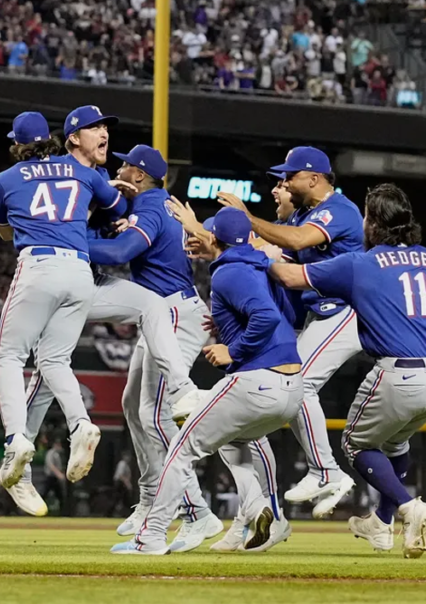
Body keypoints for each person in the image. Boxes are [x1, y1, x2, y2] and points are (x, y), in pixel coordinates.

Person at [269, 184, 426, 558]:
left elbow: (290, 278)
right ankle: (381, 525)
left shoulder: (361, 263)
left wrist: (262, 254)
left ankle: (407, 506)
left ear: (373, 223)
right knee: (394, 444)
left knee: (355, 445)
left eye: (368, 216)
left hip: (400, 373)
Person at [21, 110, 207, 510]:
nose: (106, 136)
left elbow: (120, 244)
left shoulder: (138, 200)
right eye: (97, 128)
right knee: (58, 367)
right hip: (68, 278)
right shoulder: (69, 179)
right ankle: (35, 447)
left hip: (147, 299)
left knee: (150, 409)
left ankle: (189, 508)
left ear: (139, 175)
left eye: (127, 163)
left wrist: (92, 224)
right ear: (73, 138)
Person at [112, 208, 303, 555]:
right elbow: (286, 315)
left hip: (257, 380)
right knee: (235, 445)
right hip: (291, 388)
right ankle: (261, 506)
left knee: (180, 448)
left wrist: (234, 348)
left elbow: (266, 317)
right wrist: (230, 323)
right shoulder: (259, 263)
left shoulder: (230, 272)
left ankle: (152, 536)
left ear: (215, 238)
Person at [83, 144, 224, 552]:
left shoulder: (150, 206)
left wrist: (67, 241)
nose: (120, 167)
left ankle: (197, 512)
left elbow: (122, 252)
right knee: (133, 405)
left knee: (157, 416)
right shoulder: (155, 203)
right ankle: (149, 500)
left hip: (174, 312)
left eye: (127, 165)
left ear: (140, 175)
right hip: (163, 310)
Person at [0, 111, 128, 511]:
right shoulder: (82, 174)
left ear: (18, 145)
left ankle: (17, 437)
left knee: (10, 356)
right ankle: (81, 423)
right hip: (79, 269)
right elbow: (116, 207)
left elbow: (5, 232)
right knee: (54, 359)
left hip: (38, 264)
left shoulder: (6, 178)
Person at [217, 146, 363, 518]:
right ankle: (329, 472)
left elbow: (295, 243)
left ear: (313, 179)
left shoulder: (339, 210)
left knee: (299, 383)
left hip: (348, 309)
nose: (284, 182)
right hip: (323, 313)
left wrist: (247, 217)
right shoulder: (304, 213)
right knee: (294, 385)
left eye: (290, 176)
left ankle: (328, 471)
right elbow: (270, 248)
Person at [40, 438, 68, 514]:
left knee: (60, 496)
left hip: (55, 479)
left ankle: (62, 513)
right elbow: (50, 465)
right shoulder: (51, 453)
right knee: (44, 494)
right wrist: (58, 474)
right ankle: (39, 511)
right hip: (50, 477)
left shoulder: (58, 454)